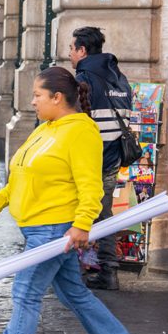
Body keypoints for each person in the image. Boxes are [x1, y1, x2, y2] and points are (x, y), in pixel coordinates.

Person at [0, 66, 147, 334]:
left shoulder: (81, 132)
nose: (33, 101)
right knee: (74, 293)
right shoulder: (47, 128)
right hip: (39, 226)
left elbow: (91, 187)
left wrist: (82, 225)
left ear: (57, 97)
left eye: (37, 95)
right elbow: (21, 173)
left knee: (25, 292)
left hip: (54, 228)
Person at [69, 26, 131, 291]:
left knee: (77, 211)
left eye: (71, 49)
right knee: (103, 213)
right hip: (114, 154)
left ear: (82, 50)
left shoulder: (84, 77)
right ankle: (108, 270)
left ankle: (77, 270)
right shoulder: (119, 78)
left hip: (90, 156)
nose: (70, 54)